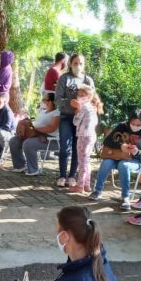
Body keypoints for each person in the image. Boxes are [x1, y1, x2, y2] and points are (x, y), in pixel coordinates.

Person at [89, 109, 141, 210]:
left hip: (135, 161)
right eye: (133, 123)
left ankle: (125, 197)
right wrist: (120, 145)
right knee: (106, 162)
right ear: (129, 121)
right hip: (117, 157)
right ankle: (97, 190)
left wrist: (137, 152)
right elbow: (107, 141)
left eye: (138, 124)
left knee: (123, 165)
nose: (135, 126)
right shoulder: (123, 126)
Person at [54, 54, 95, 187]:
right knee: (64, 147)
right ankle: (62, 176)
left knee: (78, 148)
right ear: (70, 64)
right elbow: (57, 99)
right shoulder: (64, 78)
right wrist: (69, 102)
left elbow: (93, 99)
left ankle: (72, 176)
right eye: (75, 63)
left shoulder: (88, 80)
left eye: (81, 63)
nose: (78, 66)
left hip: (83, 121)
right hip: (66, 117)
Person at [9, 91, 60, 175]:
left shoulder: (57, 112)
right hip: (35, 134)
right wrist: (28, 126)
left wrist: (35, 129)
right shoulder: (42, 111)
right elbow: (36, 123)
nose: (42, 101)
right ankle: (20, 166)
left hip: (49, 139)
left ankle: (33, 170)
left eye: (44, 99)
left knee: (28, 144)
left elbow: (52, 128)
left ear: (51, 102)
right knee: (14, 141)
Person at [69, 85, 103, 193]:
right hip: (91, 135)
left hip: (84, 136)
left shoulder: (84, 107)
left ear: (89, 96)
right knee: (86, 161)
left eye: (82, 95)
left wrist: (77, 110)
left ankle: (80, 185)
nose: (79, 97)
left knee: (82, 161)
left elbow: (76, 122)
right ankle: (86, 184)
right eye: (78, 95)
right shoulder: (92, 107)